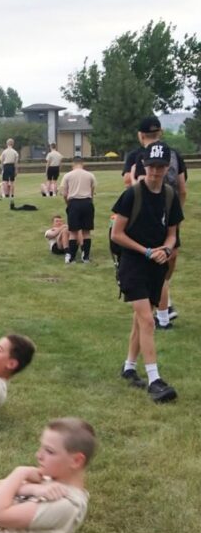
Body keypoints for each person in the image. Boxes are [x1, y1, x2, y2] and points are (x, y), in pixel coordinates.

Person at [110, 140, 183, 403]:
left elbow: (173, 233)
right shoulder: (132, 194)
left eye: (160, 167)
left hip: (155, 265)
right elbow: (116, 234)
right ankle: (155, 380)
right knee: (148, 321)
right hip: (132, 263)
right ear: (144, 166)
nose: (155, 171)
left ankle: (129, 367)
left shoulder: (169, 196)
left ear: (166, 168)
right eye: (151, 166)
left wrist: (165, 248)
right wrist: (145, 250)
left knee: (140, 320)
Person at [123, 115, 188, 328]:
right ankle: (163, 311)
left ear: (140, 135)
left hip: (143, 223)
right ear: (160, 133)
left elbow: (130, 187)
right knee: (164, 268)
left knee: (150, 267)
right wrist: (176, 219)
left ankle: (159, 312)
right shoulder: (174, 155)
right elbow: (183, 189)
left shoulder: (137, 156)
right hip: (169, 219)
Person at [59, 157, 96, 263]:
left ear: (72, 164)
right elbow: (92, 191)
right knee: (86, 232)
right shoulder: (90, 175)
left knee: (73, 232)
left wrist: (68, 204)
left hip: (74, 202)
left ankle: (72, 257)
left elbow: (65, 194)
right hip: (87, 202)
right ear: (82, 164)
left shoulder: (68, 175)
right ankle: (86, 257)